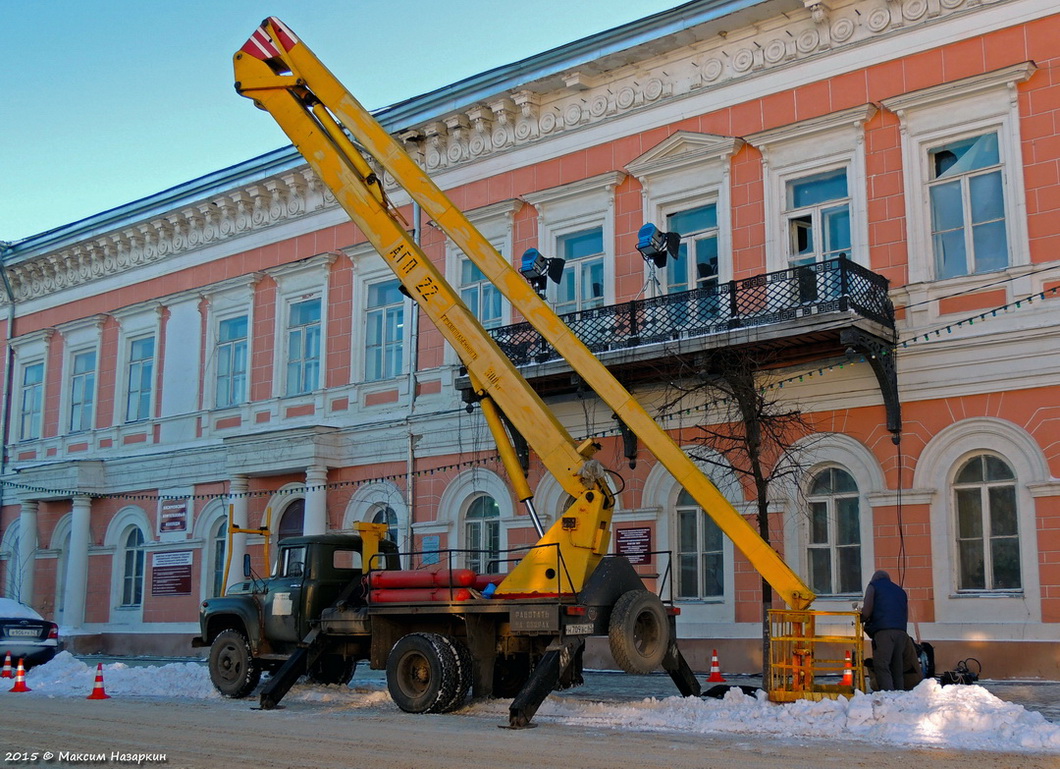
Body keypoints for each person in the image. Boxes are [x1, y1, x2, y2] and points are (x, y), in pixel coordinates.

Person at [861, 569, 915, 691]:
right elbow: (905, 615)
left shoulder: (873, 586)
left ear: (874, 578)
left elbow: (867, 611)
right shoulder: (900, 591)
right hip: (901, 632)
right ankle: (899, 694)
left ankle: (888, 695)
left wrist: (861, 618)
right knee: (897, 666)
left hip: (884, 632)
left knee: (882, 665)